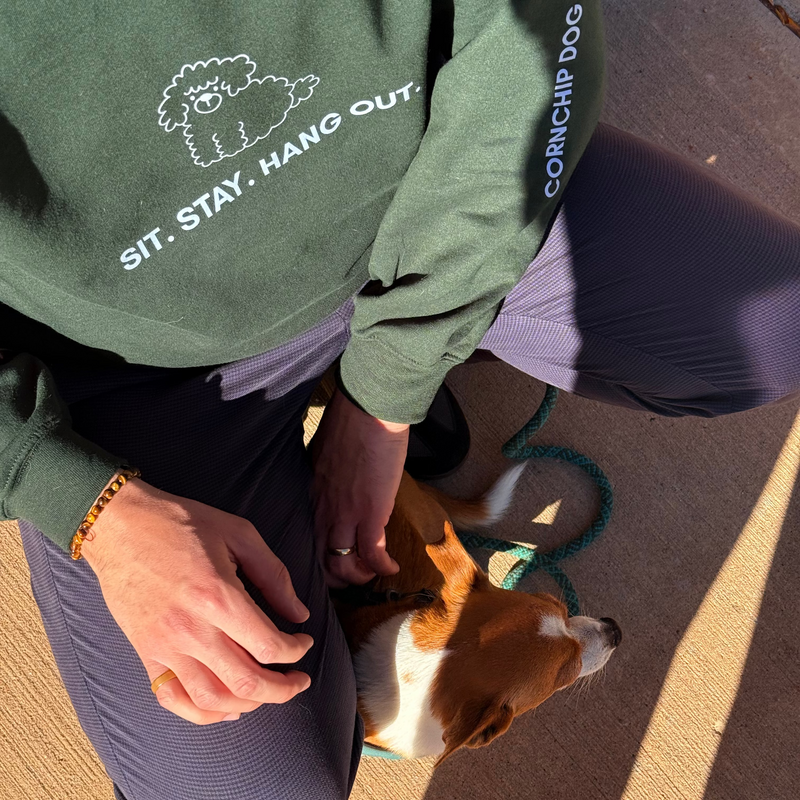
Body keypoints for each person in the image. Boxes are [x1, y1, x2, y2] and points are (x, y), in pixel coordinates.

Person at [1, 1, 798, 799]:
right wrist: (89, 504)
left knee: (778, 329)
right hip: (134, 374)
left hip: (411, 205)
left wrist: (390, 383)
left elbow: (524, 42)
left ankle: (408, 357)